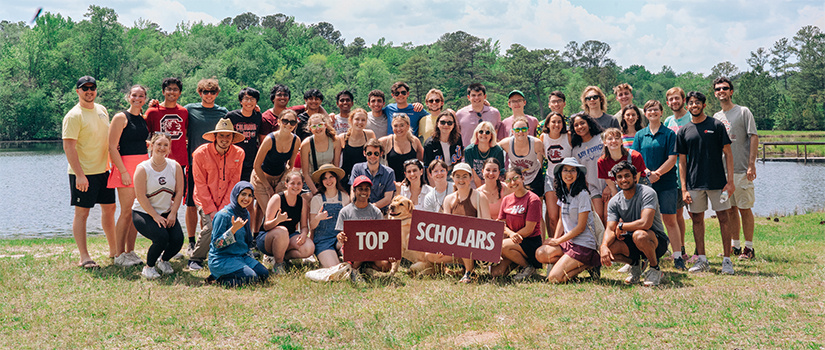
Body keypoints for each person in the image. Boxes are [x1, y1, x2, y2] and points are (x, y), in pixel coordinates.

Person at [676, 91, 736, 275]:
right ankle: (702, 260)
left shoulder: (716, 125)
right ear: (687, 106)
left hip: (718, 183)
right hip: (694, 185)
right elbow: (682, 162)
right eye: (691, 103)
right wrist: (684, 188)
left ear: (704, 105)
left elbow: (728, 154)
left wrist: (730, 182)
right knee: (697, 220)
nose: (694, 106)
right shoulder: (684, 130)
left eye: (697, 103)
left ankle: (727, 260)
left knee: (724, 218)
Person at [62, 76, 117, 268]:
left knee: (109, 209)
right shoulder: (73, 116)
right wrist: (79, 175)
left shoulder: (102, 110)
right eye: (84, 88)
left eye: (92, 87)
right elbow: (69, 148)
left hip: (104, 171)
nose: (89, 91)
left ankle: (114, 251)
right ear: (77, 91)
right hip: (83, 173)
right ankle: (84, 257)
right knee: (82, 213)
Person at [188, 118, 246, 271]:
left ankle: (224, 253)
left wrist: (223, 207)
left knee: (230, 223)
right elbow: (199, 184)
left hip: (226, 198)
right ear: (215, 137)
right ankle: (196, 258)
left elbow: (235, 182)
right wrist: (212, 209)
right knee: (211, 225)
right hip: (203, 197)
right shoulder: (200, 153)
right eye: (221, 136)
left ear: (233, 138)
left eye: (228, 136)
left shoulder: (239, 153)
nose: (224, 140)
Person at [600, 161, 670, 286]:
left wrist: (621, 226)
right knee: (609, 248)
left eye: (627, 176)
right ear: (615, 181)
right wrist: (604, 245)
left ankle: (655, 268)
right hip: (632, 241)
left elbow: (645, 223)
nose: (624, 180)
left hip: (655, 241)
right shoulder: (614, 201)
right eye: (619, 177)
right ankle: (635, 265)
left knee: (639, 235)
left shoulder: (647, 193)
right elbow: (610, 229)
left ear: (634, 177)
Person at [633, 100, 683, 269]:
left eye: (656, 109)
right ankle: (645, 256)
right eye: (649, 110)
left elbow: (672, 158)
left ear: (661, 112)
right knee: (646, 221)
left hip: (667, 183)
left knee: (670, 219)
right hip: (645, 184)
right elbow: (636, 158)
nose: (652, 112)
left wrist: (657, 174)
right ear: (645, 114)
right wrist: (647, 173)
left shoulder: (669, 134)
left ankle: (678, 257)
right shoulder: (640, 135)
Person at [712, 77, 759, 260]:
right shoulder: (716, 117)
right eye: (718, 89)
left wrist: (751, 164)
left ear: (731, 91)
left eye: (725, 88)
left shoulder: (743, 112)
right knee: (729, 209)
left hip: (742, 171)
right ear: (715, 93)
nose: (721, 91)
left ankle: (749, 248)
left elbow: (753, 137)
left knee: (744, 208)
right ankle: (735, 246)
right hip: (723, 174)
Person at [535, 158, 601, 283]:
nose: (569, 174)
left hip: (583, 245)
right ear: (560, 173)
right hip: (568, 242)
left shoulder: (583, 194)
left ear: (578, 174)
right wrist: (555, 239)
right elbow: (561, 218)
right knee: (540, 253)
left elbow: (581, 227)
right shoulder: (565, 191)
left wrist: (559, 240)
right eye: (565, 170)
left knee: (554, 278)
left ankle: (590, 264)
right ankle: (572, 263)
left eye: (572, 170)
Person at [424, 163, 491, 283]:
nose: (461, 180)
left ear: (470, 178)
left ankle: (469, 272)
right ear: (453, 178)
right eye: (458, 176)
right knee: (429, 255)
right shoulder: (449, 199)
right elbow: (446, 226)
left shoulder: (480, 197)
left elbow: (487, 225)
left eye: (465, 176)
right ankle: (461, 265)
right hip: (456, 244)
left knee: (463, 235)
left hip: (475, 243)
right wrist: (442, 245)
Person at [184, 78, 229, 254]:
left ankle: (207, 239)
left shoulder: (222, 112)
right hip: (193, 162)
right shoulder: (190, 109)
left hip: (215, 164)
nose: (208, 95)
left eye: (212, 92)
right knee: (190, 203)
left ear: (217, 93)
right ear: (199, 92)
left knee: (209, 201)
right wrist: (154, 105)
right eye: (205, 92)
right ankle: (191, 241)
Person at [132, 132, 185, 279]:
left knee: (177, 240)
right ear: (151, 146)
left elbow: (180, 191)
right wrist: (155, 216)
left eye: (165, 145)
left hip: (166, 211)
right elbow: (140, 196)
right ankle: (149, 267)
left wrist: (173, 212)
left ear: (169, 149)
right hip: (144, 212)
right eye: (158, 144)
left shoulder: (175, 166)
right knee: (161, 238)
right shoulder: (143, 168)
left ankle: (164, 261)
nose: (162, 148)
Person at [108, 85, 149, 267]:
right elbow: (111, 147)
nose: (137, 98)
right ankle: (118, 254)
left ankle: (130, 252)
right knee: (125, 212)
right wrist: (123, 172)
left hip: (142, 169)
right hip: (126, 169)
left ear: (145, 99)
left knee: (136, 213)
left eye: (141, 96)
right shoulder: (120, 117)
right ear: (128, 97)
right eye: (134, 95)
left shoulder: (142, 118)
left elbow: (138, 140)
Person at [208, 181, 270, 287]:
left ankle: (232, 273)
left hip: (240, 256)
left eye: (250, 195)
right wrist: (233, 230)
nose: (247, 198)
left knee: (263, 274)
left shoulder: (246, 214)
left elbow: (246, 242)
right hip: (222, 258)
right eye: (243, 194)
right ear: (236, 194)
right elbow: (216, 244)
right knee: (251, 278)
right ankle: (218, 278)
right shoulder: (223, 215)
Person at [490, 168, 544, 281]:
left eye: (515, 178)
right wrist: (510, 234)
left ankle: (528, 267)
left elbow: (529, 229)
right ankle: (518, 262)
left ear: (522, 178)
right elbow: (501, 223)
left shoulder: (533, 199)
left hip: (530, 241)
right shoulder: (506, 200)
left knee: (503, 246)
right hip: (513, 240)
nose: (512, 183)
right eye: (509, 180)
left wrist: (511, 237)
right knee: (496, 273)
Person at [336, 175, 393, 282]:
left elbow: (381, 234)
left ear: (370, 191)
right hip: (353, 249)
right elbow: (341, 234)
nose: (363, 192)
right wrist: (340, 236)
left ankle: (365, 268)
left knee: (386, 265)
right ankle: (354, 270)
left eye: (366, 189)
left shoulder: (376, 211)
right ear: (354, 190)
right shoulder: (345, 211)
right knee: (359, 253)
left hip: (372, 248)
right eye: (360, 189)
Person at [251, 109, 301, 231]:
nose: (288, 125)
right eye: (285, 121)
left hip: (280, 177)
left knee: (282, 211)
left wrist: (282, 182)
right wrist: (267, 186)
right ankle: (259, 238)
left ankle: (283, 237)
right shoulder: (270, 139)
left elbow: (291, 164)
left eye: (292, 122)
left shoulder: (296, 140)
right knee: (270, 211)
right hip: (261, 177)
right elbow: (256, 165)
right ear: (279, 122)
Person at [259, 171, 315, 275]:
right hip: (268, 238)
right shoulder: (277, 198)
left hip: (289, 236)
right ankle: (278, 264)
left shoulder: (302, 201)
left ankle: (281, 257)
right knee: (282, 231)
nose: (296, 186)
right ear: (286, 184)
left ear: (302, 185)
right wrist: (277, 221)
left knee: (309, 247)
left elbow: (303, 226)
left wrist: (303, 234)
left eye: (299, 183)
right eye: (292, 183)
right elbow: (266, 226)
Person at [663, 87, 690, 260]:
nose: (674, 102)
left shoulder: (691, 118)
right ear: (667, 103)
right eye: (671, 99)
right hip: (672, 174)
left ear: (683, 100)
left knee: (691, 214)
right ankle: (679, 249)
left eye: (677, 98)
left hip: (690, 170)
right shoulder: (667, 121)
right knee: (674, 214)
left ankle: (690, 250)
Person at [309, 164, 350, 268]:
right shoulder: (317, 199)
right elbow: (312, 226)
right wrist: (318, 218)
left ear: (336, 178)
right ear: (322, 182)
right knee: (335, 268)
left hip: (340, 239)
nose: (329, 181)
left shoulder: (344, 197)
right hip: (323, 241)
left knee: (354, 261)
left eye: (331, 177)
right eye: (325, 178)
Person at [145, 77, 189, 172]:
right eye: (168, 89)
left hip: (179, 161)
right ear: (163, 92)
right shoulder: (152, 111)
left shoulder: (184, 112)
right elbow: (142, 133)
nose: (172, 92)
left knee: (180, 187)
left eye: (175, 89)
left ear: (180, 93)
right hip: (158, 161)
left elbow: (185, 134)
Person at [570, 112, 606, 224]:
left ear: (589, 124)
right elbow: (580, 173)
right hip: (593, 186)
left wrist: (611, 186)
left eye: (582, 123)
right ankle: (600, 241)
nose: (580, 127)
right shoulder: (576, 149)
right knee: (598, 216)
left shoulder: (601, 138)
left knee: (608, 216)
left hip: (609, 183)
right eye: (576, 125)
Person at [540, 112, 572, 236]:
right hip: (550, 178)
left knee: (563, 215)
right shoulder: (543, 137)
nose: (556, 124)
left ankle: (565, 243)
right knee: (552, 217)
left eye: (559, 122)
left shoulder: (568, 136)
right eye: (553, 122)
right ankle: (554, 243)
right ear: (547, 124)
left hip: (567, 179)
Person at [499, 117, 545, 197]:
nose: (520, 132)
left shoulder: (536, 143)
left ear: (528, 130)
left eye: (524, 129)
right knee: (515, 204)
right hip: (515, 179)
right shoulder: (506, 143)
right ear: (512, 131)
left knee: (536, 203)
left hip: (534, 176)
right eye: (517, 130)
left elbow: (548, 155)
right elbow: (492, 149)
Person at [597, 128, 647, 200]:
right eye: (610, 139)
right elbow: (613, 189)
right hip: (620, 189)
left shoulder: (635, 156)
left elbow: (635, 183)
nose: (614, 141)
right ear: (605, 143)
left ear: (621, 141)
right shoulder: (602, 162)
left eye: (617, 138)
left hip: (639, 189)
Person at [226, 87, 264, 182]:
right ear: (240, 101)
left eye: (252, 99)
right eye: (246, 99)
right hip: (233, 159)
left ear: (256, 102)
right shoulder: (231, 116)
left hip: (251, 160)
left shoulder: (258, 116)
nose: (249, 102)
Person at [349, 139, 396, 212]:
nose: (372, 156)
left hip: (381, 213)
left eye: (376, 153)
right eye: (369, 153)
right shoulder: (357, 168)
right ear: (364, 153)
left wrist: (370, 208)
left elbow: (388, 199)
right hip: (359, 211)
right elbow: (353, 191)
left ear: (381, 154)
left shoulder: (389, 172)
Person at [301, 113, 341, 194]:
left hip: (329, 181)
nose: (318, 128)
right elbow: (305, 173)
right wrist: (315, 192)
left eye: (320, 125)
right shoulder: (306, 144)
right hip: (311, 182)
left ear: (325, 125)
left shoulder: (335, 141)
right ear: (310, 129)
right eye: (314, 126)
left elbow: (336, 167)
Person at [338, 108, 376, 187]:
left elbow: (375, 156)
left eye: (363, 120)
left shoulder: (369, 135)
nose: (360, 122)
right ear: (351, 120)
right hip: (347, 179)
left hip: (365, 178)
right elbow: (336, 161)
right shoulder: (342, 138)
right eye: (357, 119)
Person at [380, 114, 424, 182]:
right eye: (395, 126)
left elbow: (422, 162)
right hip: (392, 184)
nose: (398, 129)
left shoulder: (414, 141)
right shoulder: (385, 141)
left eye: (402, 125)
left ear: (408, 126)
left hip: (412, 184)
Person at [464, 122, 506, 188]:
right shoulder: (469, 151)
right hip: (475, 182)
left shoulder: (498, 151)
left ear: (491, 135)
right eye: (481, 132)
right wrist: (481, 193)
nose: (484, 134)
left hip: (494, 180)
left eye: (487, 132)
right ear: (476, 134)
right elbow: (475, 176)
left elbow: (498, 174)